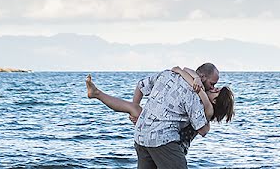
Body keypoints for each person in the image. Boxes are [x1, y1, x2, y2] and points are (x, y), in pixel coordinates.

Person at [86, 63, 235, 169]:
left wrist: (136, 107)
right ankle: (98, 94)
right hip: (163, 140)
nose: (213, 87)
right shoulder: (195, 98)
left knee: (134, 109)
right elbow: (203, 129)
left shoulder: (169, 74)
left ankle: (97, 94)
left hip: (141, 137)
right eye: (213, 85)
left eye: (215, 88)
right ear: (202, 77)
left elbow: (141, 85)